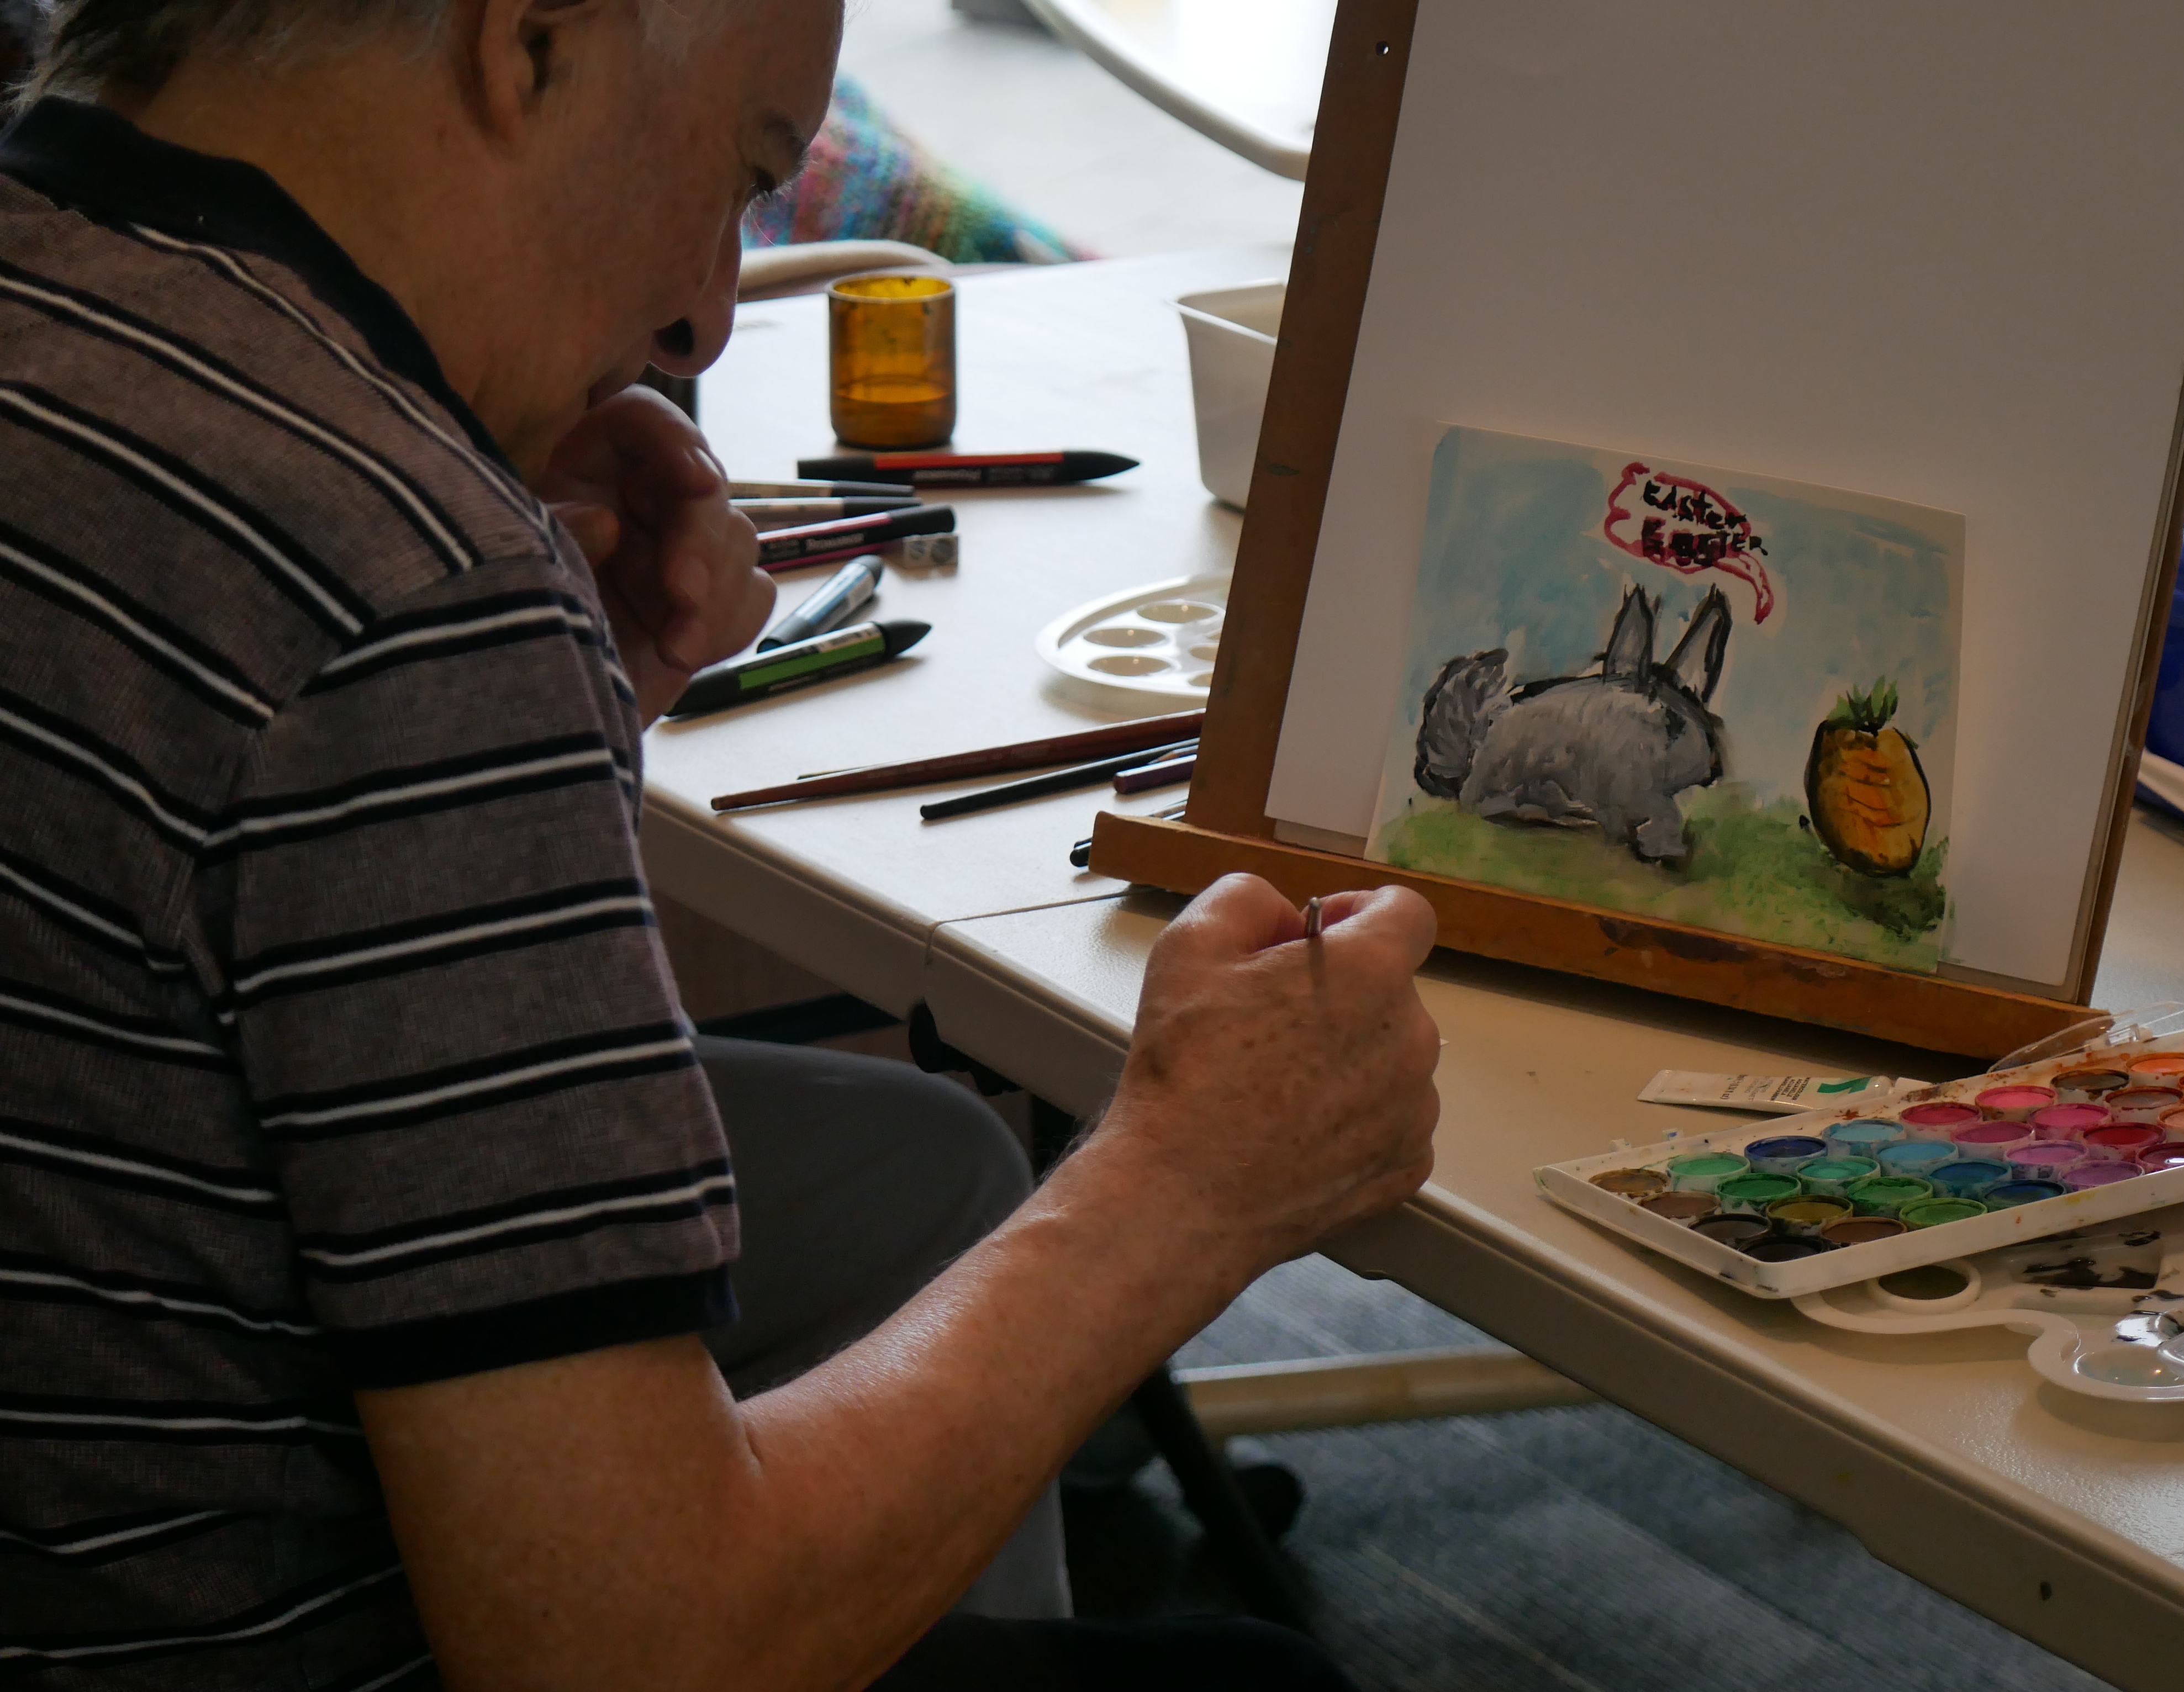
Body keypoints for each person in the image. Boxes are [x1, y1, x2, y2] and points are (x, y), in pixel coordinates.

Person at [0, 0, 1444, 1683]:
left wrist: (533, 749)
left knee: (911, 1165)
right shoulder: (397, 575)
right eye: (743, 178)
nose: (703, 317)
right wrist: (1186, 1186)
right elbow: (632, 1649)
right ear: (531, 41)